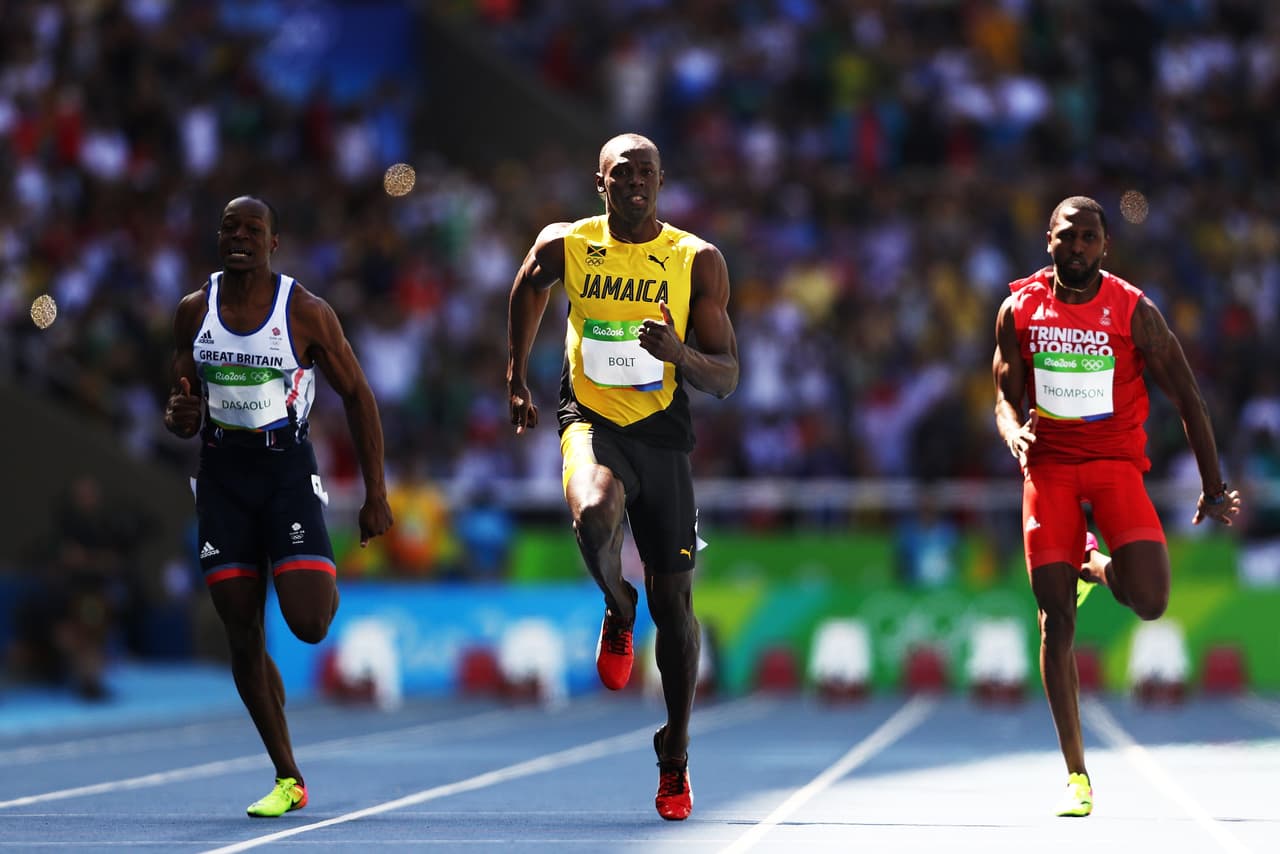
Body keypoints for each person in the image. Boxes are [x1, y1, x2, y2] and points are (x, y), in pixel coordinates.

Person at [506, 133, 739, 821]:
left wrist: (680, 354)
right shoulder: (567, 244)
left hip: (663, 437)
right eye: (622, 174)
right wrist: (514, 375)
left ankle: (675, 755)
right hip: (592, 421)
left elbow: (728, 376)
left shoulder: (697, 260)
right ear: (599, 182)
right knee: (592, 511)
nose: (635, 183)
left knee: (678, 611)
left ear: (662, 182)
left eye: (646, 173)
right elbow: (527, 285)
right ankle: (616, 605)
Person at [992, 195, 1241, 817]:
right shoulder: (1018, 309)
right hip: (1047, 466)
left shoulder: (1133, 312)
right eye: (1067, 236)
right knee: (1055, 622)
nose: (1078, 248)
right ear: (1048, 239)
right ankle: (1077, 774)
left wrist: (1213, 487)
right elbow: (1002, 395)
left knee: (1152, 600)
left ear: (1105, 246)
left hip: (1114, 465)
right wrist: (1011, 431)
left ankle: (1092, 566)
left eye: (1089, 239)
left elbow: (1188, 397)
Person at [163, 195, 393, 817]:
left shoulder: (306, 313)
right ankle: (288, 775)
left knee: (311, 623)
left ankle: (305, 578)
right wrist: (181, 416)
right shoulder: (193, 312)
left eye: (253, 230)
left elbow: (359, 395)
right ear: (219, 238)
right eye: (229, 228)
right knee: (242, 634)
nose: (239, 237)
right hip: (222, 476)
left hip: (286, 471)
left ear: (273, 243)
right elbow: (183, 405)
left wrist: (376, 491)